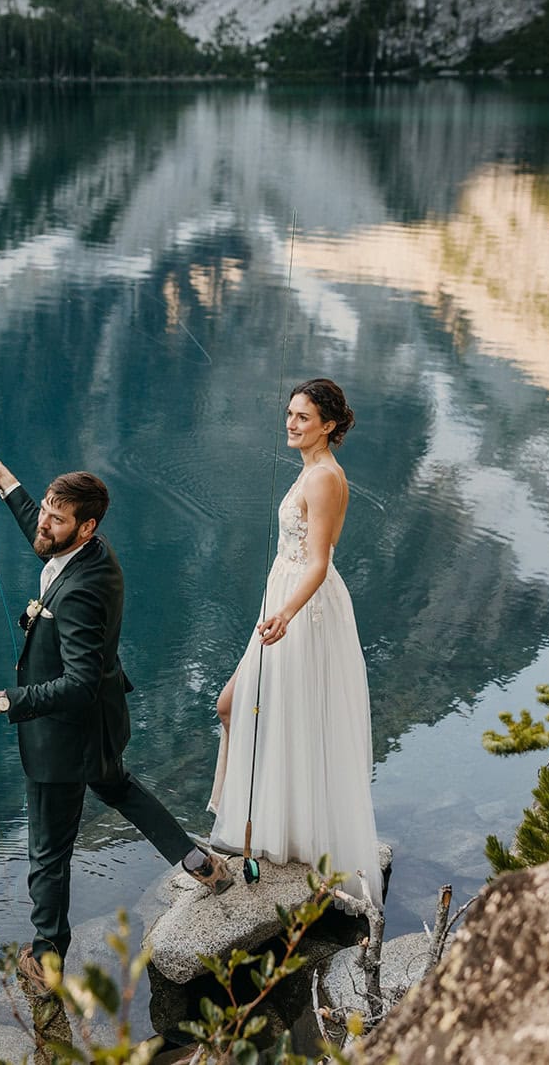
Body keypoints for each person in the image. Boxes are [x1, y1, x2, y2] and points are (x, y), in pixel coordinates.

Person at [0, 452, 232, 999]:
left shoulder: (83, 591)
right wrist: (10, 482)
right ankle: (199, 861)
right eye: (44, 510)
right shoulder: (87, 555)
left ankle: (47, 962)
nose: (43, 522)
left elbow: (79, 683)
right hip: (103, 725)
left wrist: (4, 702)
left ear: (86, 527)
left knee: (48, 852)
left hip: (66, 735)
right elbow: (39, 533)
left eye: (56, 519)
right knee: (117, 785)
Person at [207, 378, 382, 908]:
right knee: (239, 707)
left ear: (328, 425)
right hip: (285, 599)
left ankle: (287, 838)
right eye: (289, 413)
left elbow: (320, 561)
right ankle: (271, 830)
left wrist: (284, 613)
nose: (291, 423)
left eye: (303, 417)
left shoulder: (325, 478)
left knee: (247, 707)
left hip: (304, 609)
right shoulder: (310, 469)